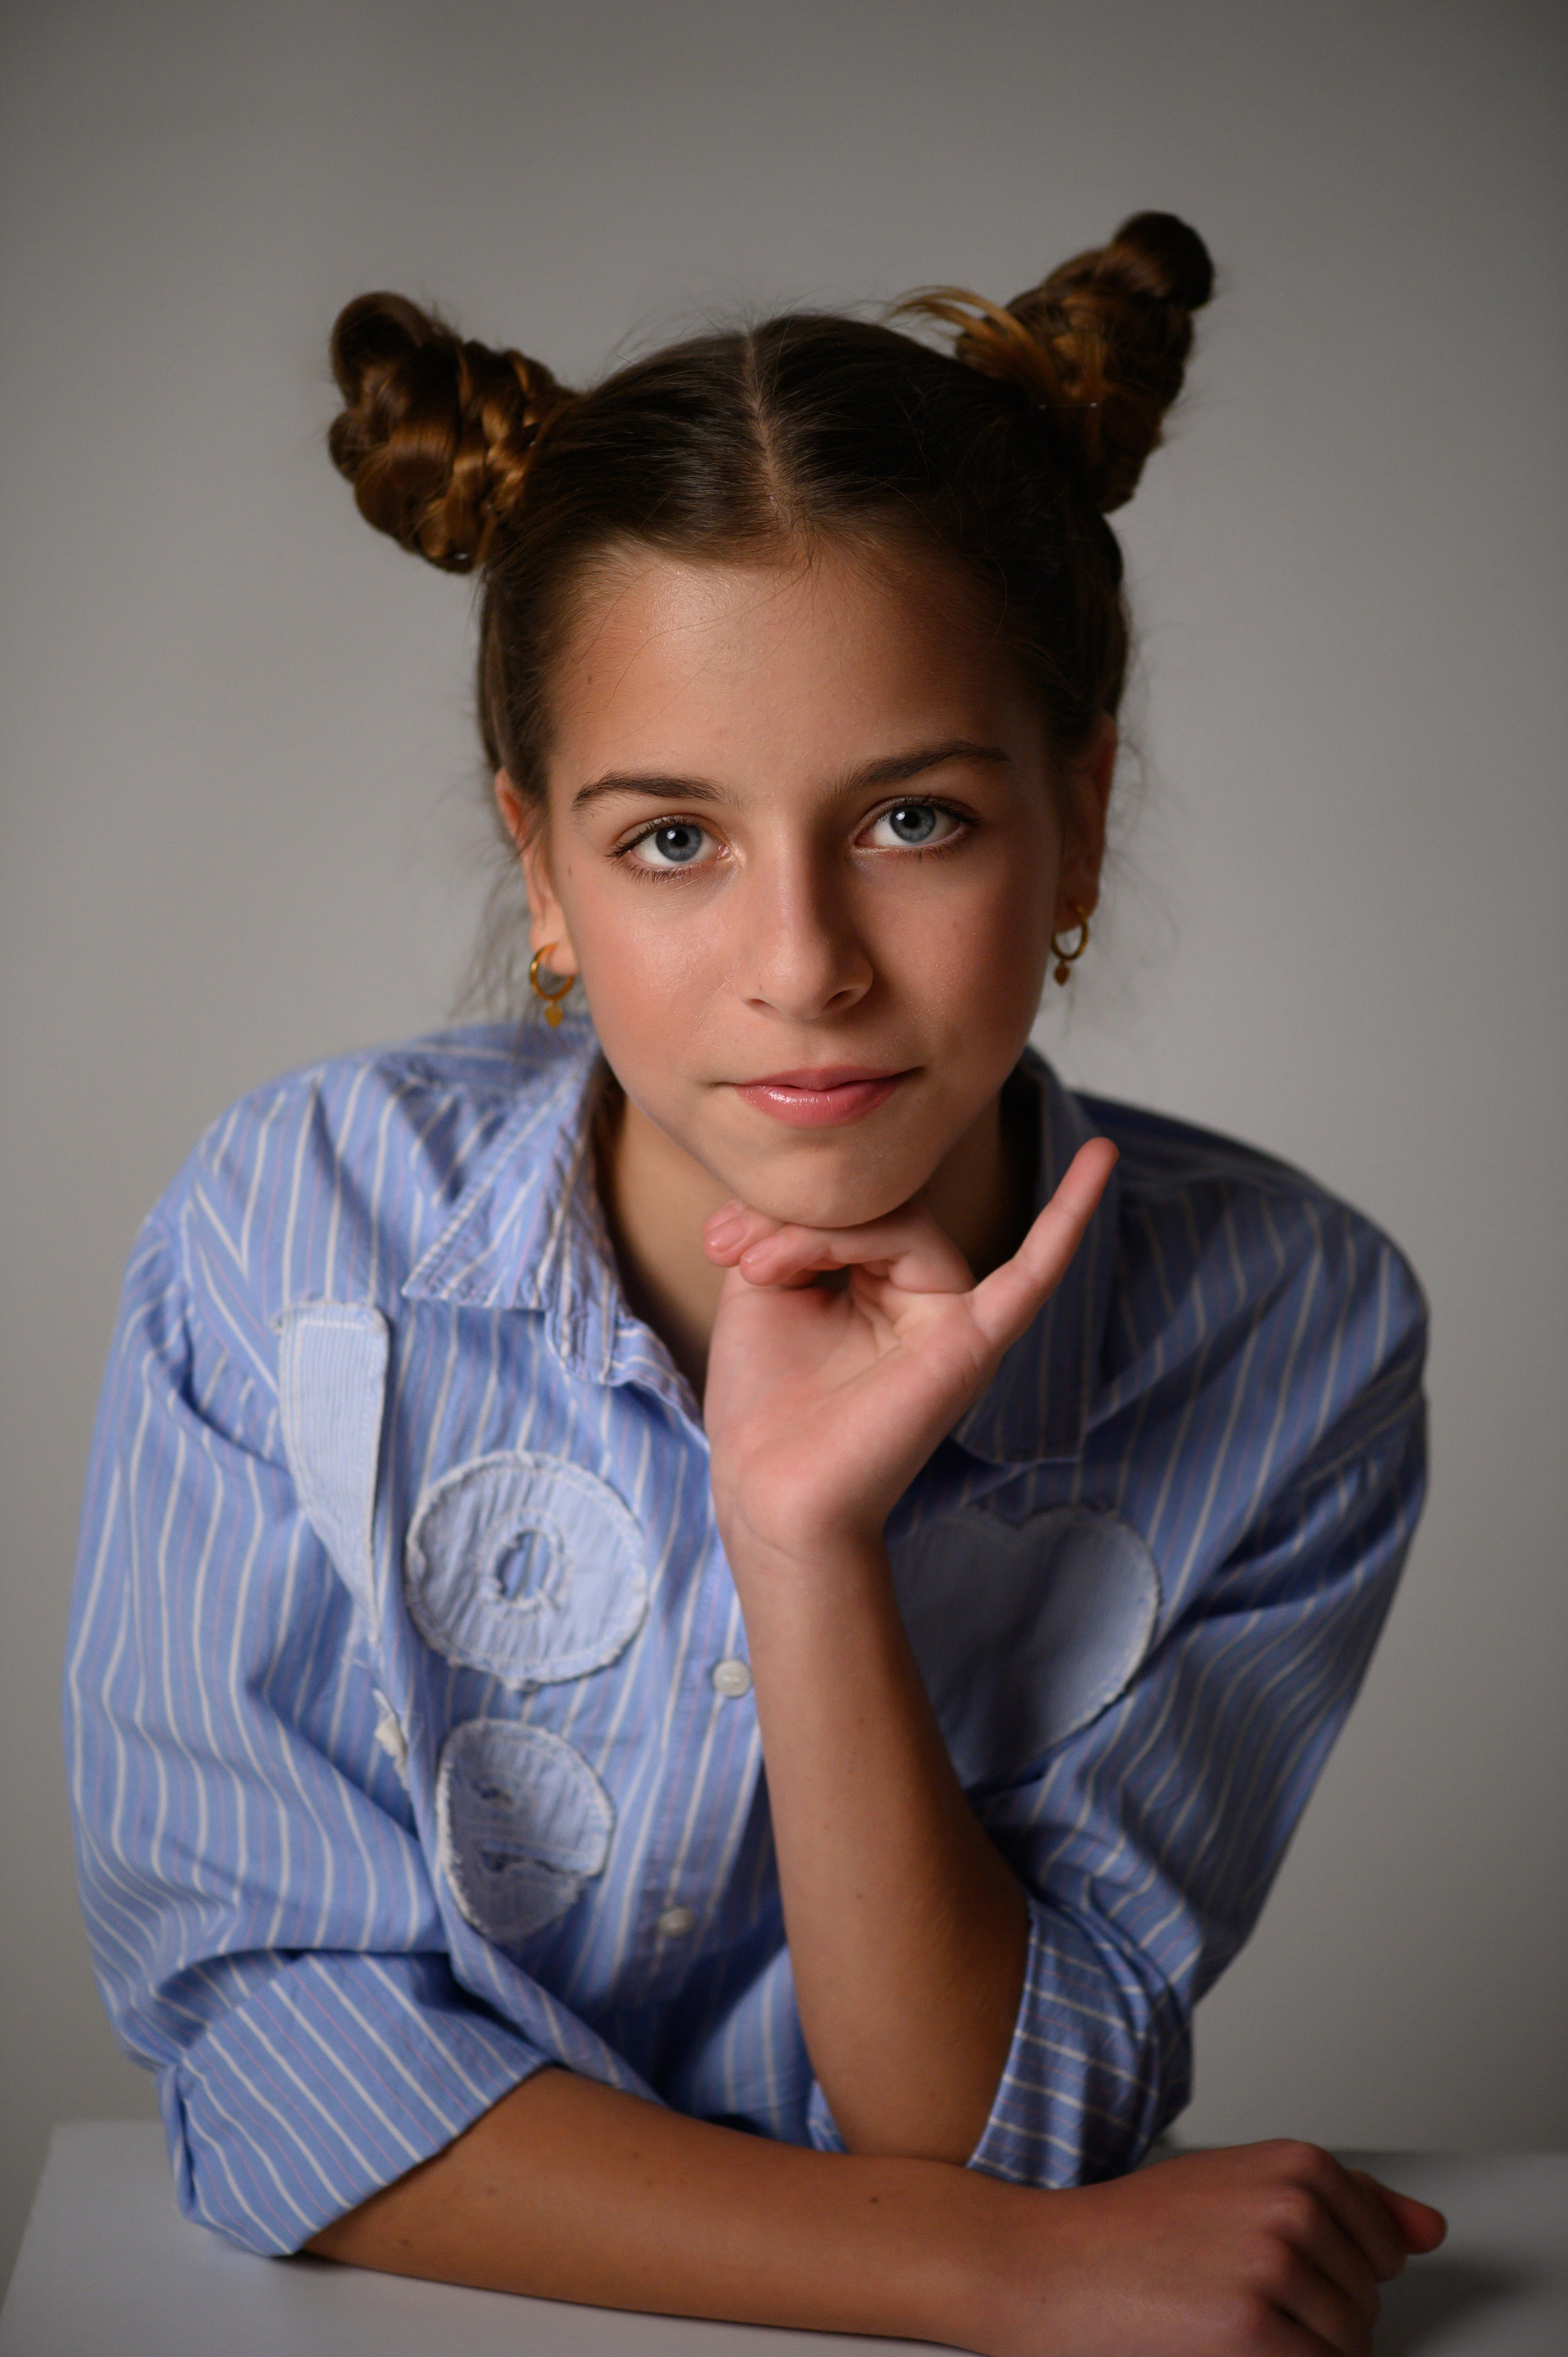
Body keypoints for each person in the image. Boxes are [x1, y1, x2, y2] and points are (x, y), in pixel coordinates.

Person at [65, 213, 1446, 2354]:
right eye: (672, 841)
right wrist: (1004, 2274)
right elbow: (272, 2069)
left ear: (1077, 820)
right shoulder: (291, 1234)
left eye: (914, 821)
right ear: (542, 869)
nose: (803, 965)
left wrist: (803, 1542)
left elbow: (996, 2121)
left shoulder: (1294, 1332)